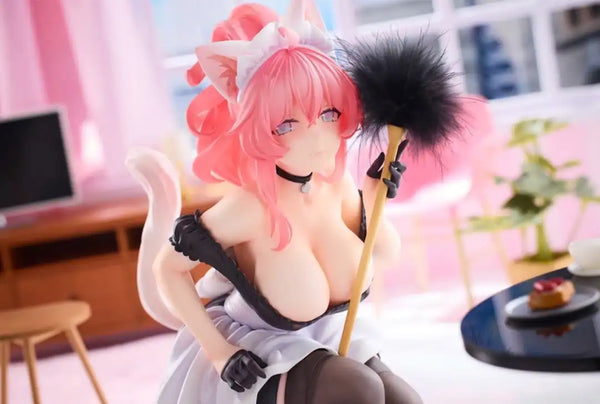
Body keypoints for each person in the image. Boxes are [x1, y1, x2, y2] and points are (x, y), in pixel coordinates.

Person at [128, 1, 422, 403]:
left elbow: (383, 255)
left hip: (327, 335)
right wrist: (221, 354)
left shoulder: (335, 185)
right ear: (259, 128)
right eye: (287, 124)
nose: (318, 137)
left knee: (404, 400)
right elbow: (167, 269)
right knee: (359, 390)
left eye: (328, 113)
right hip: (261, 348)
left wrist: (373, 196)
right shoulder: (249, 209)